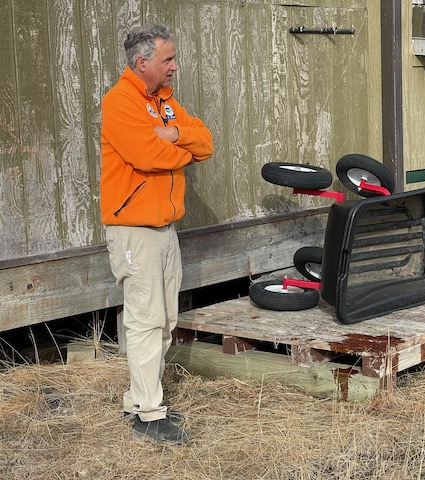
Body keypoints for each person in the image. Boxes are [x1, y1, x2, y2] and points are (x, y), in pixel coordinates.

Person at [100, 24, 214, 445]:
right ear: (142, 62)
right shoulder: (120, 102)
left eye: (173, 58)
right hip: (134, 230)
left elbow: (206, 142)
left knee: (164, 318)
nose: (174, 66)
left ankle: (141, 399)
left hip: (164, 228)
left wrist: (176, 134)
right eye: (167, 60)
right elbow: (147, 156)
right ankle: (148, 416)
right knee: (146, 319)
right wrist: (178, 149)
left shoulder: (164, 103)